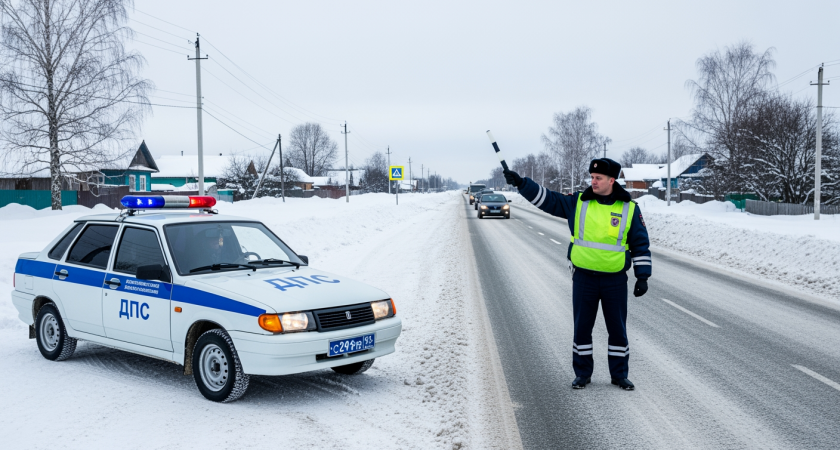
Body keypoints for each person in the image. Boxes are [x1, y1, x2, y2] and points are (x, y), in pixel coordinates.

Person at [503, 158, 651, 391]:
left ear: (612, 180)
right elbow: (548, 199)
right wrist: (522, 184)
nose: (593, 181)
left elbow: (640, 243)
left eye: (598, 178)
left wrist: (643, 276)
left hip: (615, 280)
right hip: (584, 278)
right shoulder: (579, 202)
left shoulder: (629, 208)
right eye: (592, 177)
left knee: (618, 330)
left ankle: (619, 375)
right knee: (582, 328)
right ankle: (582, 374)